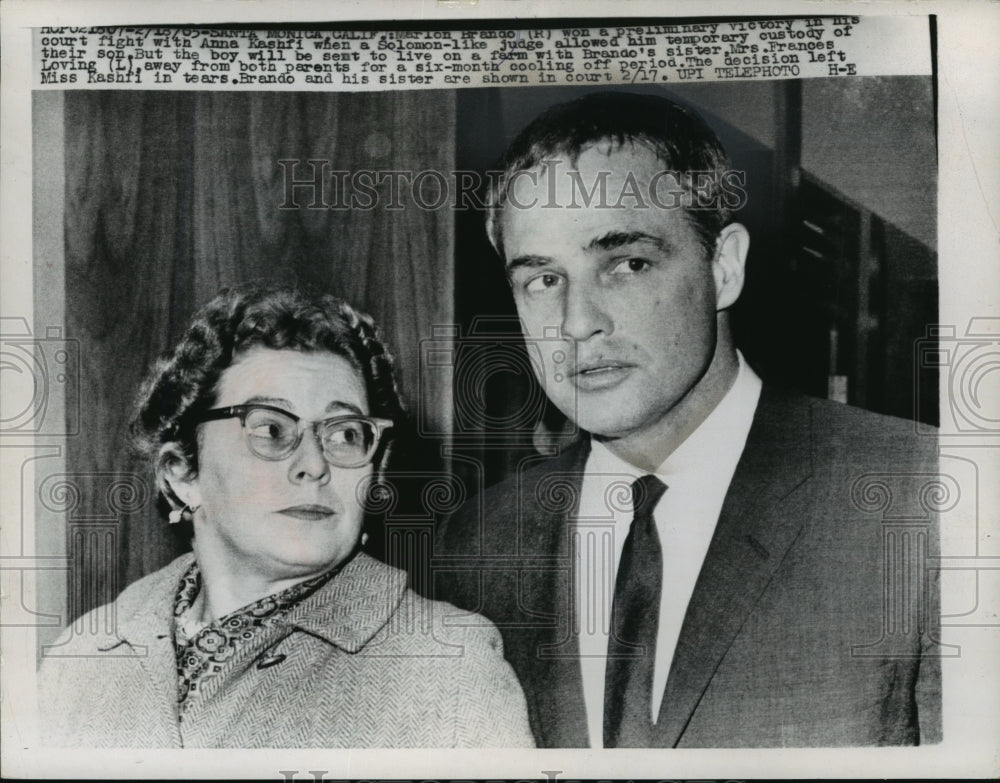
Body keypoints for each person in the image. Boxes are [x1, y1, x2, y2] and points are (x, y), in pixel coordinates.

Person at [434, 92, 941, 748]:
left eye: (627, 264)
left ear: (723, 267)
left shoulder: (921, 498)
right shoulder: (474, 544)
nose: (577, 321)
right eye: (542, 280)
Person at [38, 285, 533, 748]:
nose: (315, 465)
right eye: (272, 429)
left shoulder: (444, 667)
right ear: (182, 473)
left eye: (344, 434)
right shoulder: (86, 652)